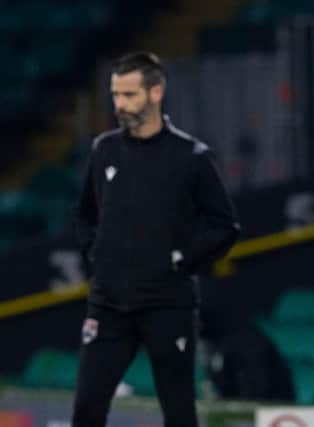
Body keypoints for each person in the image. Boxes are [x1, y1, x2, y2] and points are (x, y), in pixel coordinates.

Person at [72, 52, 240, 427]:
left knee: (179, 412)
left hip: (168, 305)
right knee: (86, 407)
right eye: (115, 95)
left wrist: (182, 260)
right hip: (108, 306)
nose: (119, 104)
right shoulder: (104, 150)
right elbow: (85, 216)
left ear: (156, 92)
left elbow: (224, 225)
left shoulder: (191, 156)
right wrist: (96, 256)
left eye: (129, 95)